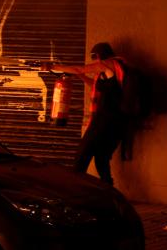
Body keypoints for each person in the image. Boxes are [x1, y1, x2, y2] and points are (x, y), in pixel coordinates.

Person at [43, 42, 127, 185]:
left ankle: (74, 187)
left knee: (83, 153)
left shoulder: (107, 64)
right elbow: (96, 86)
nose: (94, 61)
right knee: (101, 156)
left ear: (99, 56)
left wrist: (51, 67)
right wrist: (80, 77)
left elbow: (78, 68)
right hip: (116, 120)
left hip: (104, 118)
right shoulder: (114, 69)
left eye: (94, 57)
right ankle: (108, 190)